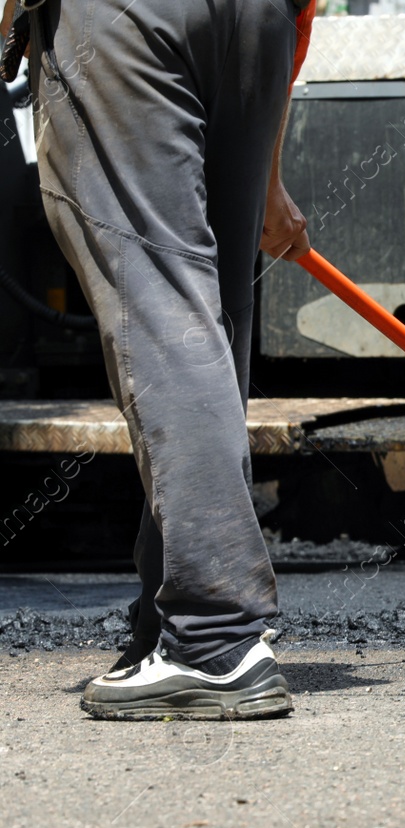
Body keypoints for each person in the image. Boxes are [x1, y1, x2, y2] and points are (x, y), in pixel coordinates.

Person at [4, 0, 315, 720]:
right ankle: (170, 620)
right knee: (210, 316)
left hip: (127, 18)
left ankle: (214, 638)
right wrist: (267, 176)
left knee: (161, 301)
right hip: (259, 21)